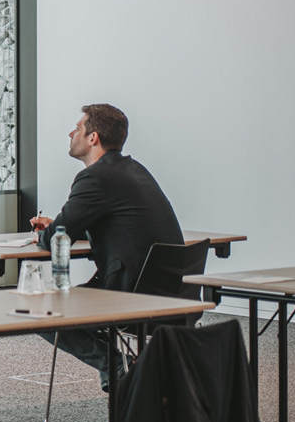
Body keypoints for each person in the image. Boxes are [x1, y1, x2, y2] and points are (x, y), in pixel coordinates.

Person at [29, 103, 182, 389]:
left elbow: (53, 240)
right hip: (172, 292)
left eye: (78, 127)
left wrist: (48, 230)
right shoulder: (134, 170)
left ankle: (117, 367)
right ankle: (122, 368)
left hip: (131, 294)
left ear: (93, 137)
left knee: (39, 311)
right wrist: (64, 225)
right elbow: (117, 221)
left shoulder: (94, 178)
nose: (71, 132)